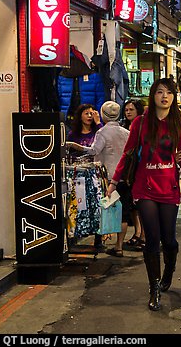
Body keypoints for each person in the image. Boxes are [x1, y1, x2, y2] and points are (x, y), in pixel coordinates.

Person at [107, 78, 181, 311]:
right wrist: (114, 181)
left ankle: (169, 269)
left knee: (169, 240)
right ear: (152, 95)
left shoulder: (179, 124)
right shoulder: (140, 122)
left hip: (169, 188)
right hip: (143, 187)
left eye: (169, 93)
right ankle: (154, 286)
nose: (164, 97)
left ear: (174, 96)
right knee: (152, 239)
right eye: (159, 92)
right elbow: (128, 154)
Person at [66, 101, 130, 257]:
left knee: (104, 209)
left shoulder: (102, 132)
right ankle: (119, 246)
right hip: (124, 176)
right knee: (123, 212)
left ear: (102, 114)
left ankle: (102, 239)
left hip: (107, 178)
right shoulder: (126, 132)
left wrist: (75, 146)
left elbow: (94, 150)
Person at [66, 103, 104, 251]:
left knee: (95, 206)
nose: (89, 116)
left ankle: (98, 238)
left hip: (93, 173)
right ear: (80, 115)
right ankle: (74, 235)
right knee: (77, 205)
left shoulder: (98, 132)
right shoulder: (73, 134)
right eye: (86, 113)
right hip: (77, 173)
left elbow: (102, 144)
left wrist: (98, 122)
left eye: (91, 113)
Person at [120, 99, 146, 251]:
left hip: (140, 168)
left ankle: (143, 234)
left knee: (141, 204)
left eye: (131, 109)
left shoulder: (142, 125)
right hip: (129, 169)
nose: (128, 112)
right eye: (126, 109)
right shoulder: (123, 127)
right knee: (132, 207)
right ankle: (137, 232)